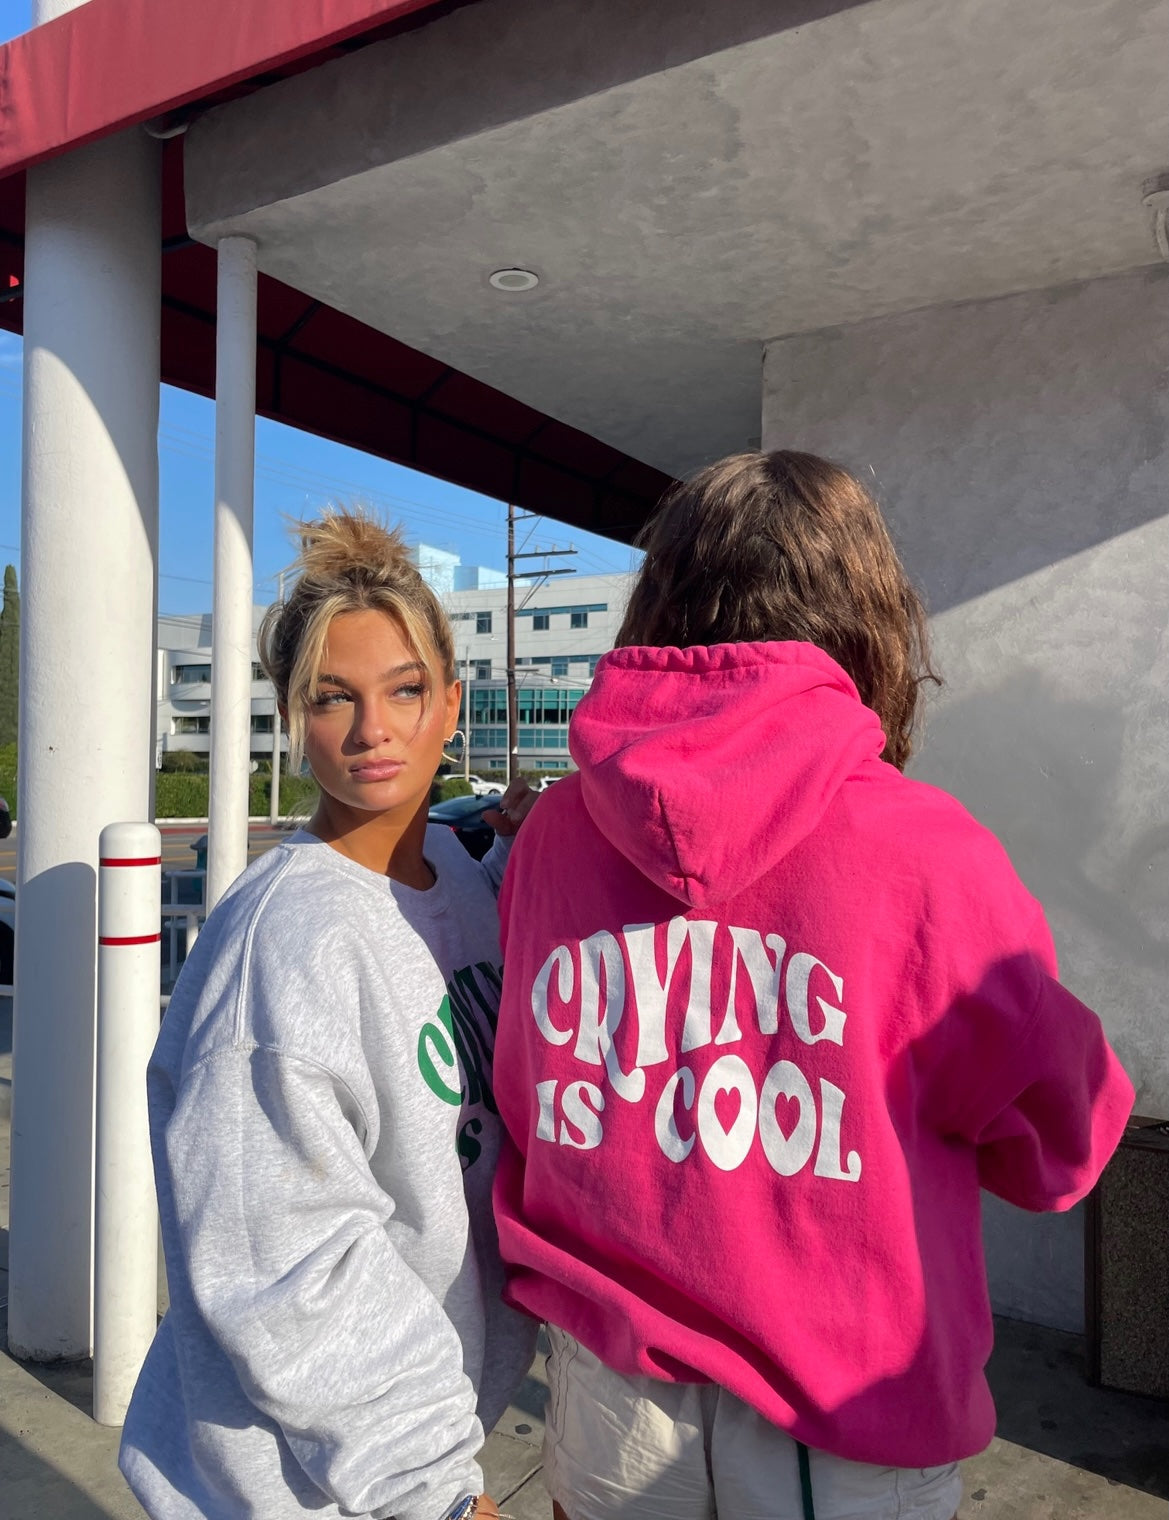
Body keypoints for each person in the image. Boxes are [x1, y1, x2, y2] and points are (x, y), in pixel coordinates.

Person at [490, 451, 1134, 1520]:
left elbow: (532, 1094)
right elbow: (1060, 1138)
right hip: (841, 1415)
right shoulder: (923, 850)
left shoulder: (556, 832)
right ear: (863, 611)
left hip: (606, 1400)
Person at [120, 510, 537, 1520]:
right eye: (331, 698)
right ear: (292, 717)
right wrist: (432, 1487)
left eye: (401, 691)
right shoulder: (284, 942)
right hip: (303, 1485)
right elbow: (290, 1264)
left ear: (450, 703)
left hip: (388, 1464)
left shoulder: (467, 885)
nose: (370, 730)